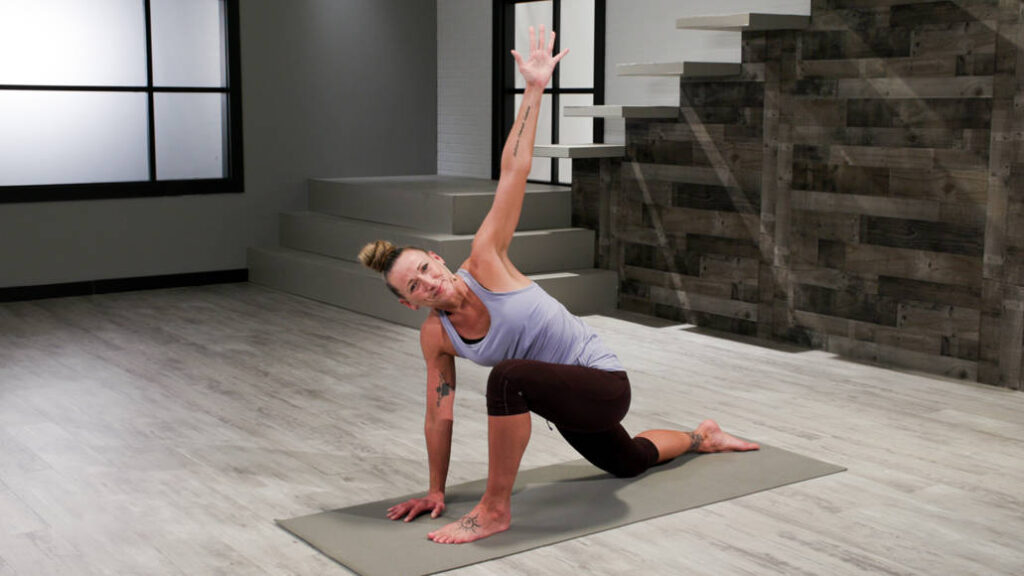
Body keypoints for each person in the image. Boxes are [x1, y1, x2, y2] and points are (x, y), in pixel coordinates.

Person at [358, 25, 759, 545]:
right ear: (410, 303)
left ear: (438, 259)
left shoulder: (486, 259)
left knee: (507, 377)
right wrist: (435, 490)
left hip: (602, 381)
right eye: (414, 285)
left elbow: (513, 172)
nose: (428, 283)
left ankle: (494, 510)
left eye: (427, 269)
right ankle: (701, 435)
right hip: (560, 398)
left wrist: (534, 87)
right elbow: (439, 412)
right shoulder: (436, 336)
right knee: (627, 461)